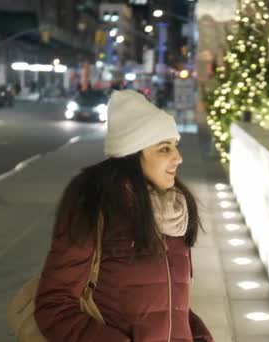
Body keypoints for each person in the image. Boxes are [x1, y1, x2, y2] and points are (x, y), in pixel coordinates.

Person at [35, 90, 214, 342]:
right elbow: (54, 305)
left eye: (175, 146)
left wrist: (201, 337)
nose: (178, 157)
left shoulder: (175, 211)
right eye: (164, 149)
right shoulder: (94, 203)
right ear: (131, 155)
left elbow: (172, 303)